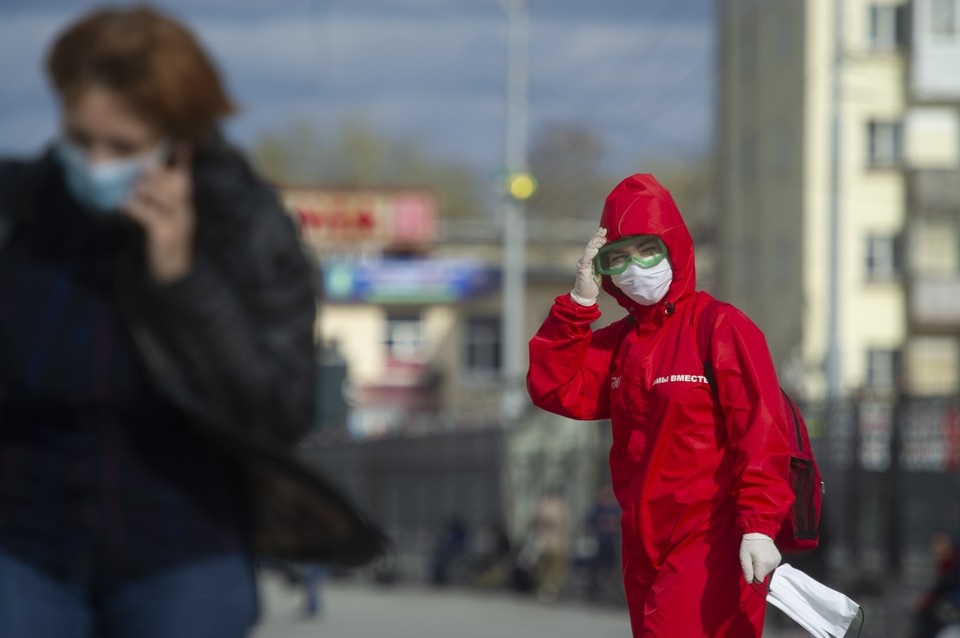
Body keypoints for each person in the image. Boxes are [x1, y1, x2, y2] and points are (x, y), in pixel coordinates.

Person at [0, 6, 381, 637]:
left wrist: (181, 278)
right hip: (25, 549)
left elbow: (278, 406)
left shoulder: (245, 229)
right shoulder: (22, 214)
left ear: (179, 139)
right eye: (80, 140)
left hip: (182, 555)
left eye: (121, 148)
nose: (95, 164)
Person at [527, 174, 795, 637]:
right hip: (643, 537)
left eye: (646, 250)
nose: (635, 268)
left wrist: (758, 523)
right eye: (618, 258)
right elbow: (555, 386)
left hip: (712, 534)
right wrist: (578, 302)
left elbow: (762, 430)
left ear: (673, 247)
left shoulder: (720, 328)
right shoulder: (622, 344)